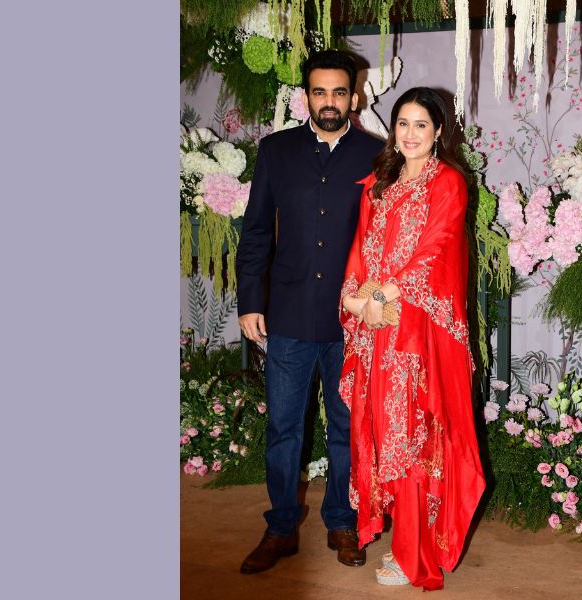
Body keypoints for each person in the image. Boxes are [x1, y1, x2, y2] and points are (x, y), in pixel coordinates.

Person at [235, 49, 384, 574]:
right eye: (319, 92)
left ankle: (342, 521)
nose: (329, 102)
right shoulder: (275, 151)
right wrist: (250, 302)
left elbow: (385, 242)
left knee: (347, 426)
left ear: (354, 98)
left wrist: (377, 303)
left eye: (339, 92)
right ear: (306, 97)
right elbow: (256, 231)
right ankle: (280, 528)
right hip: (289, 316)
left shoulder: (377, 155)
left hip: (351, 321)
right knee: (283, 428)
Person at [339, 87, 486, 591]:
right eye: (402, 123)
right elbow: (360, 246)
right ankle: (405, 537)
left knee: (415, 436)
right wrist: (354, 299)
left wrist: (383, 294)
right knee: (386, 434)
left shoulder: (448, 183)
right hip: (377, 329)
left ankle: (414, 551)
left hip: (420, 333)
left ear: (439, 131)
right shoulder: (378, 182)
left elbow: (437, 249)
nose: (410, 133)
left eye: (421, 124)